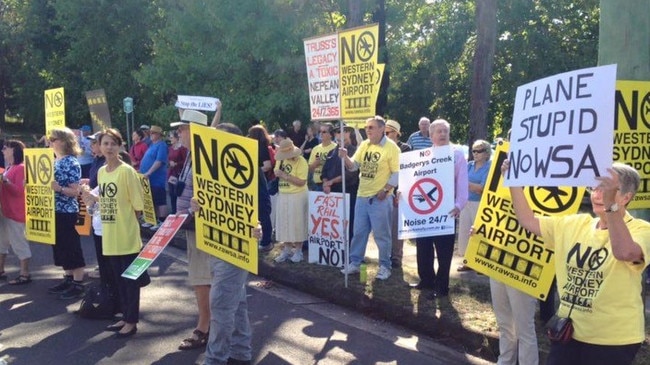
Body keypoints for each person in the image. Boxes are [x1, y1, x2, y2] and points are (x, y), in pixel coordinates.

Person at [504, 161, 650, 365]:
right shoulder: (574, 223)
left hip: (612, 340)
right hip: (568, 333)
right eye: (595, 187)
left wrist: (611, 207)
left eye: (607, 189)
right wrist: (513, 180)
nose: (598, 195)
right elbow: (528, 221)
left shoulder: (642, 230)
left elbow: (625, 251)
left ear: (626, 197)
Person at [195, 122, 264, 365]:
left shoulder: (248, 168)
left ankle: (215, 358)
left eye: (222, 139)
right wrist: (198, 208)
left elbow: (262, 207)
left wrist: (260, 228)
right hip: (216, 244)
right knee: (236, 301)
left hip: (239, 246)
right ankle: (241, 351)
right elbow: (207, 206)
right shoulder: (209, 172)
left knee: (221, 304)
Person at [167, 109, 213, 350]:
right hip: (190, 224)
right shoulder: (192, 156)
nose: (178, 133)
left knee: (202, 278)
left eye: (182, 128)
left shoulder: (203, 155)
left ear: (194, 130)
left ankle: (204, 327)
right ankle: (208, 324)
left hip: (201, 227)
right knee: (199, 278)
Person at [95, 128, 147, 338]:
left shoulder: (127, 171)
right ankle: (125, 317)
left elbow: (138, 205)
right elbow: (106, 202)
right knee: (117, 280)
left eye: (112, 144)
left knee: (130, 281)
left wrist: (127, 224)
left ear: (119, 146)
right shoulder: (100, 171)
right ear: (99, 146)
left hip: (126, 235)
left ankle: (132, 321)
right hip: (109, 235)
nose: (109, 147)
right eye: (105, 143)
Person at [411, 119, 468, 297]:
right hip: (425, 211)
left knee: (444, 252)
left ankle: (442, 287)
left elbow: (462, 183)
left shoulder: (457, 155)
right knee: (424, 248)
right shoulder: (423, 156)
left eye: (445, 131)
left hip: (447, 211)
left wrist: (459, 205)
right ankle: (426, 280)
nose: (442, 134)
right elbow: (415, 181)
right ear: (431, 135)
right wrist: (403, 195)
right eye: (439, 131)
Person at [339, 116, 400, 281]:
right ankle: (355, 263)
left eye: (371, 127)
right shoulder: (364, 144)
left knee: (382, 235)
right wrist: (345, 157)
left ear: (382, 129)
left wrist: (386, 189)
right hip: (362, 196)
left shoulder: (392, 147)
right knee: (358, 232)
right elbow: (354, 166)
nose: (368, 130)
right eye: (367, 128)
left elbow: (397, 172)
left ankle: (385, 266)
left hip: (380, 198)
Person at [457, 139, 492, 272]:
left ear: (487, 152)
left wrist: (466, 183)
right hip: (466, 202)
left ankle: (481, 264)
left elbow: (482, 188)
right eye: (474, 151)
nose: (476, 153)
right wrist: (470, 185)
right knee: (465, 232)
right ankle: (467, 262)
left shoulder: (489, 167)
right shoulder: (469, 165)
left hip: (480, 204)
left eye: (480, 150)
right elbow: (459, 181)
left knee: (479, 233)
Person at [321, 123, 359, 243]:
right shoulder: (331, 152)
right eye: (337, 132)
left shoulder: (355, 151)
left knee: (349, 221)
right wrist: (325, 183)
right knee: (334, 221)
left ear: (349, 133)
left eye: (343, 131)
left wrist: (331, 182)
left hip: (349, 192)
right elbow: (324, 171)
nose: (340, 134)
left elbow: (351, 174)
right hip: (332, 194)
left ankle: (350, 250)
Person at [0, 140, 31, 285]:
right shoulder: (9, 167)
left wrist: (5, 181)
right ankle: (1, 270)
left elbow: (19, 191)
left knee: (19, 242)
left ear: (14, 150)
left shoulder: (20, 168)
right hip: (6, 212)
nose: (2, 150)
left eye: (5, 148)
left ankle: (24, 274)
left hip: (15, 212)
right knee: (2, 243)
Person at [273, 138, 309, 263]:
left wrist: (285, 176)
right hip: (283, 193)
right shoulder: (281, 160)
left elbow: (301, 182)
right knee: (284, 223)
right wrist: (279, 174)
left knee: (298, 223)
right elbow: (276, 171)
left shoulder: (301, 161)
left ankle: (298, 250)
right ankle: (287, 249)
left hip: (298, 195)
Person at [384, 120, 411, 269]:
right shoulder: (381, 147)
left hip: (399, 192)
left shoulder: (405, 148)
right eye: (384, 133)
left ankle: (396, 257)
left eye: (387, 133)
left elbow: (405, 171)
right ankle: (386, 254)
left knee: (396, 227)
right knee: (383, 227)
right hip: (383, 191)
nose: (385, 135)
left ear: (396, 133)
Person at [247, 124, 275, 252]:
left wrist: (253, 172)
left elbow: (267, 165)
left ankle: (266, 242)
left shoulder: (261, 147)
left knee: (263, 212)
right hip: (255, 182)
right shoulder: (256, 146)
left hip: (260, 182)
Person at [139, 125, 168, 230]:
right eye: (150, 132)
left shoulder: (162, 145)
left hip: (156, 179)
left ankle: (162, 221)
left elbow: (159, 161)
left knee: (160, 200)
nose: (151, 134)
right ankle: (152, 220)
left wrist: (149, 172)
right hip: (147, 179)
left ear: (159, 135)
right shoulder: (152, 145)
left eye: (153, 133)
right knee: (151, 200)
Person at [308, 123, 337, 191]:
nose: (321, 134)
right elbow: (309, 169)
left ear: (330, 134)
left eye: (324, 132)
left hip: (330, 185)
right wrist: (315, 163)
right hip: (316, 184)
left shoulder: (336, 148)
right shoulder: (316, 149)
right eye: (319, 131)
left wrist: (324, 162)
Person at [167, 130, 188, 214]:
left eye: (171, 137)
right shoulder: (170, 148)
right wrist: (170, 163)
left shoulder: (182, 148)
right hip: (171, 173)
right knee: (171, 194)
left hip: (178, 174)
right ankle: (173, 212)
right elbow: (168, 159)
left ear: (176, 138)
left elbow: (185, 160)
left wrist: (176, 164)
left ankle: (178, 212)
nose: (170, 139)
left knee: (177, 194)